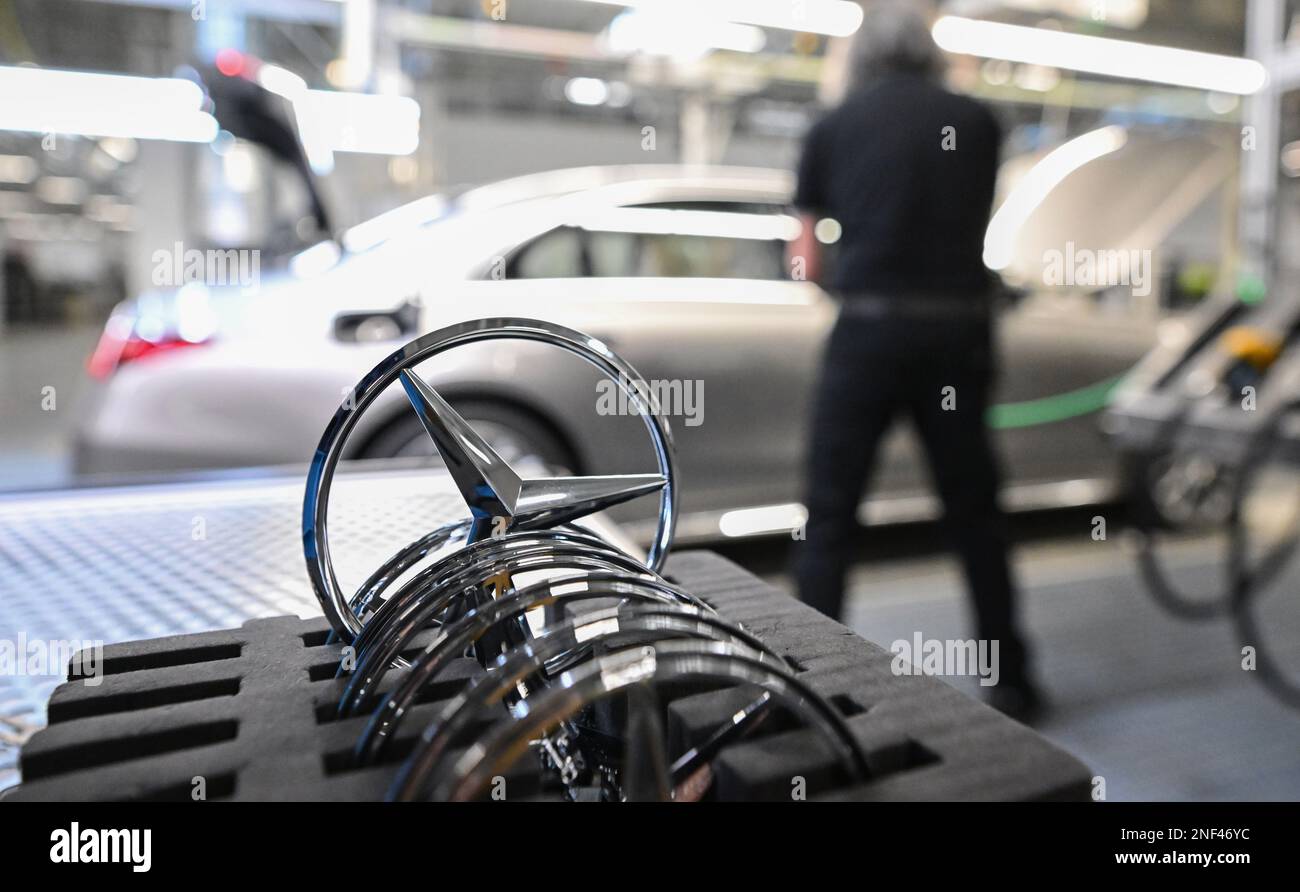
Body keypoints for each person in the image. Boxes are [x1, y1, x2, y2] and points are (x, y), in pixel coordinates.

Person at [788, 0, 1040, 717]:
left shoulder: (831, 126)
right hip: (957, 336)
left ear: (860, 54)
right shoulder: (981, 121)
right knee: (975, 515)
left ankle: (810, 686)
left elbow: (806, 260)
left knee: (831, 517)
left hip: (866, 335)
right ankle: (1012, 679)